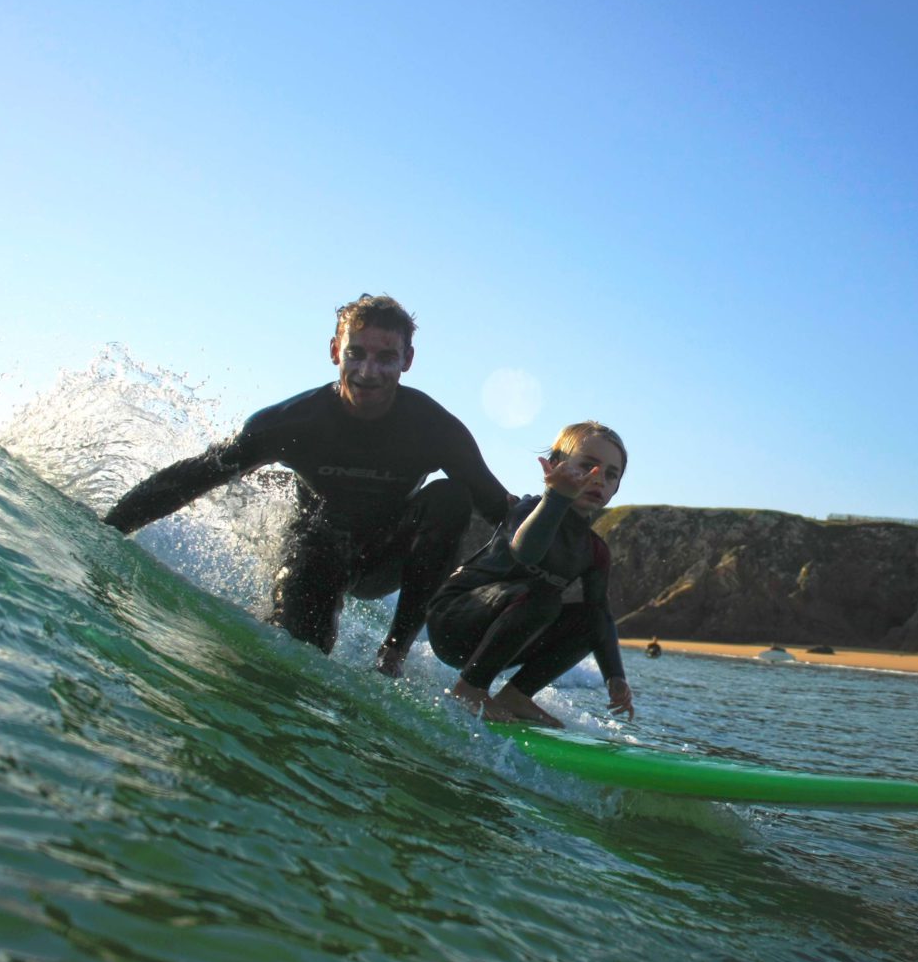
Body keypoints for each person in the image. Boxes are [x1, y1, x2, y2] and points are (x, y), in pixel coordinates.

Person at [101, 294, 510, 677]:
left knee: (453, 498)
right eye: (356, 353)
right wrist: (108, 529)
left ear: (407, 360)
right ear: (335, 351)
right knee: (298, 656)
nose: (369, 372)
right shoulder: (294, 422)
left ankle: (393, 653)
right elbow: (196, 474)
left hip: (388, 555)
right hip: (318, 547)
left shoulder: (435, 429)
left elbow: (498, 508)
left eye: (386, 357)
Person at [425, 422, 634, 726]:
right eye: (588, 466)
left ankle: (516, 695)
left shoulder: (595, 550)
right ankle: (469, 688)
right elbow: (527, 552)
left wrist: (614, 676)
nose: (598, 478)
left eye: (611, 474)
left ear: (616, 488)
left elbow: (600, 614)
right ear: (555, 467)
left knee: (593, 618)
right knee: (544, 596)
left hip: (501, 635)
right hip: (453, 620)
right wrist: (556, 497)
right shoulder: (527, 509)